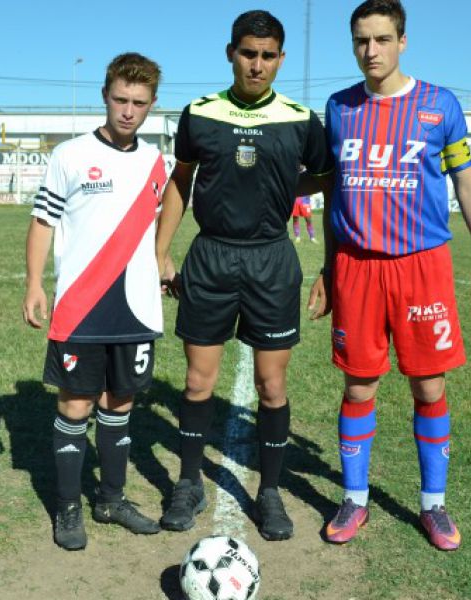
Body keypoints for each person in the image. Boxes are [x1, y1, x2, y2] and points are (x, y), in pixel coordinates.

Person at [308, 0, 471, 550]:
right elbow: (332, 194)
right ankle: (355, 498)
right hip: (357, 267)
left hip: (423, 267)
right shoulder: (339, 107)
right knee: (358, 383)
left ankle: (434, 505)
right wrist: (326, 266)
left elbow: (466, 182)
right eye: (362, 41)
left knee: (429, 383)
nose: (372, 51)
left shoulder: (440, 106)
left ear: (403, 41)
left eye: (382, 39)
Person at [155, 10, 333, 541]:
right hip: (210, 257)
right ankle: (189, 482)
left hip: (271, 260)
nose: (257, 65)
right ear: (231, 53)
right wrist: (160, 253)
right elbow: (180, 181)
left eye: (268, 55)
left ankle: (270, 491)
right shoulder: (200, 114)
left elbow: (325, 177)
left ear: (279, 59)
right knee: (196, 381)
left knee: (271, 384)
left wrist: (281, 194)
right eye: (248, 53)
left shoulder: (301, 119)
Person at [22, 52, 168, 551]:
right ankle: (67, 509)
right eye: (121, 100)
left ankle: (110, 499)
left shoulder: (156, 163)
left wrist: (164, 261)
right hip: (81, 306)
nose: (129, 111)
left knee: (120, 402)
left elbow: (157, 226)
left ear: (151, 106)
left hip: (136, 307)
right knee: (76, 403)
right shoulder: (68, 155)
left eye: (139, 103)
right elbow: (43, 221)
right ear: (105, 96)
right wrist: (35, 284)